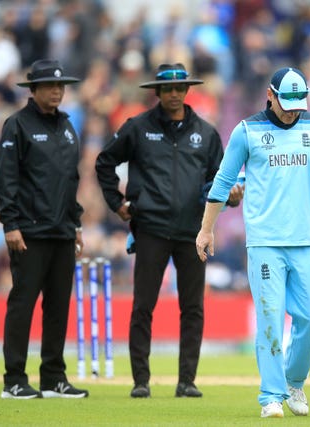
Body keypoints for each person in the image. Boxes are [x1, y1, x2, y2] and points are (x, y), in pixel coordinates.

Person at [196, 67, 310, 418]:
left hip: (306, 241)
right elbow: (223, 182)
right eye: (286, 102)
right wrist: (206, 229)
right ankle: (271, 396)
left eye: (298, 103)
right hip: (264, 242)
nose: (293, 110)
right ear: (270, 96)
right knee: (270, 318)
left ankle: (293, 381)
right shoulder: (247, 132)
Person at [95, 63, 243, 399]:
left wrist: (232, 198)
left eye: (179, 89)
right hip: (151, 228)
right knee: (143, 305)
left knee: (192, 308)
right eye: (167, 89)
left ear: (188, 91)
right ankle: (140, 381)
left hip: (194, 232)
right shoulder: (137, 128)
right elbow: (104, 162)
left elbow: (219, 182)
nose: (174, 94)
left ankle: (186, 381)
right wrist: (116, 202)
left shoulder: (205, 133)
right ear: (157, 92)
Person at [0, 59, 88, 399]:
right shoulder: (16, 125)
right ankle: (14, 379)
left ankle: (53, 378)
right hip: (29, 232)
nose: (57, 91)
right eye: (49, 85)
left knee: (59, 305)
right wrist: (10, 223)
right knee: (23, 303)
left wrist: (75, 222)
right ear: (32, 90)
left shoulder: (66, 125)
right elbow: (5, 178)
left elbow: (70, 179)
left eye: (61, 86)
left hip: (62, 230)